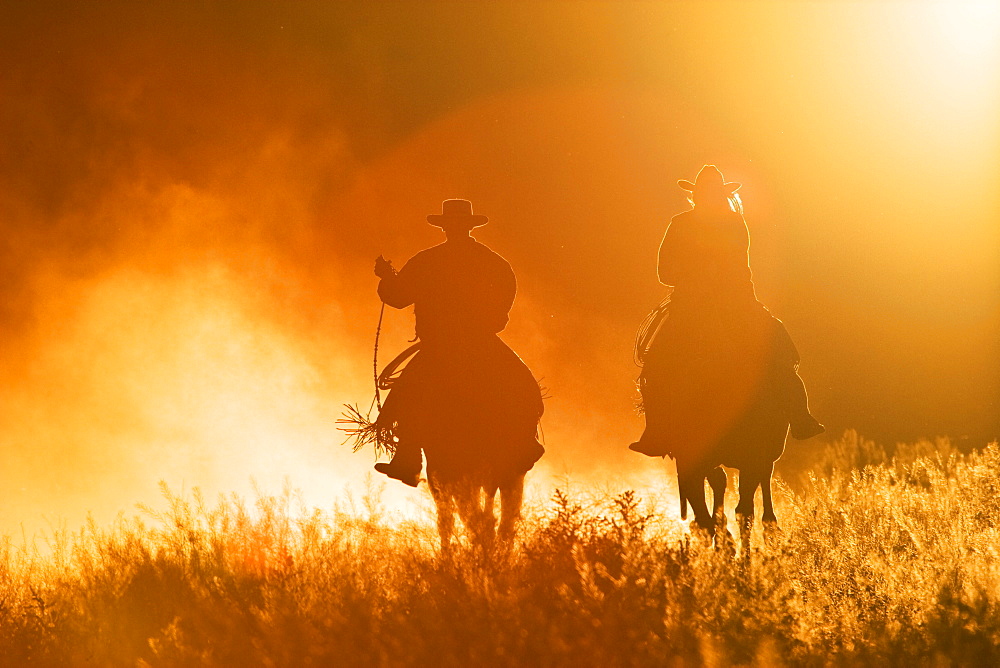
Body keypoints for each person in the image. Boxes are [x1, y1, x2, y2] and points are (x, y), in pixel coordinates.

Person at [631, 165, 823, 456]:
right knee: (655, 365)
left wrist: (709, 279)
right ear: (696, 196)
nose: (708, 198)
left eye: (713, 193)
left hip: (733, 301)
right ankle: (656, 431)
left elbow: (735, 264)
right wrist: (694, 279)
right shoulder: (681, 223)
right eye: (704, 193)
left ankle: (800, 418)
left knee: (777, 350)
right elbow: (664, 271)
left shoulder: (733, 224)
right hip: (694, 303)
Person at [371, 199, 544, 486]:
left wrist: (386, 278)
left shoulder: (426, 260)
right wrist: (496, 318)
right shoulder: (493, 261)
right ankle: (525, 442)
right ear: (468, 226)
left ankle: (408, 458)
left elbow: (398, 298)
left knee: (405, 398)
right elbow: (506, 293)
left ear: (445, 228)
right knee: (524, 387)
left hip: (438, 348)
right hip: (483, 344)